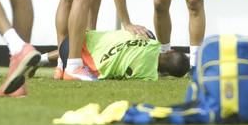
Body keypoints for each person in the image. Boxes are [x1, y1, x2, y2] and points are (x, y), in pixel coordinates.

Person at [58, 30, 190, 81]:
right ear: (167, 72)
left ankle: (57, 64)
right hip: (83, 63)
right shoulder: (148, 75)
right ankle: (60, 66)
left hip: (76, 39)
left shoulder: (151, 40)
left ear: (169, 51)